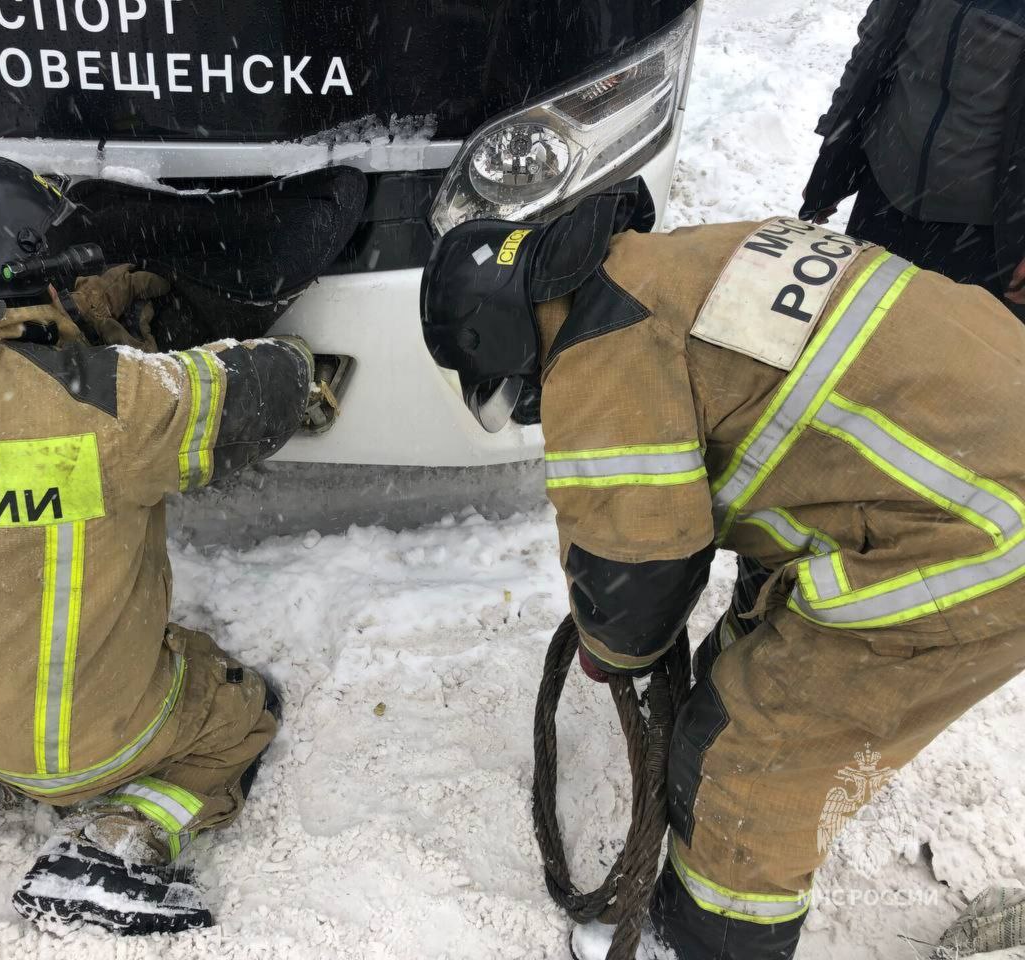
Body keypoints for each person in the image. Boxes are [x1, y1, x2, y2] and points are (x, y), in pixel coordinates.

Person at [420, 182, 1025, 960]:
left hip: (985, 540)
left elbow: (637, 572)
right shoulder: (663, 265)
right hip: (968, 457)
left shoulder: (602, 353)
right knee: (741, 660)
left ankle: (710, 938)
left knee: (750, 755)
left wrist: (614, 651)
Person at [0, 146, 331, 935]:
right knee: (242, 712)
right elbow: (250, 392)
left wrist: (70, 327)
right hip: (92, 739)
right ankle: (116, 844)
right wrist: (296, 364)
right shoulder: (105, 400)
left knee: (4, 642)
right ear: (17, 261)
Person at [800, 0, 1025, 319]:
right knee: (856, 339)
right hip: (884, 201)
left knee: (957, 359)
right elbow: (869, 53)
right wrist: (831, 161)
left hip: (982, 233)